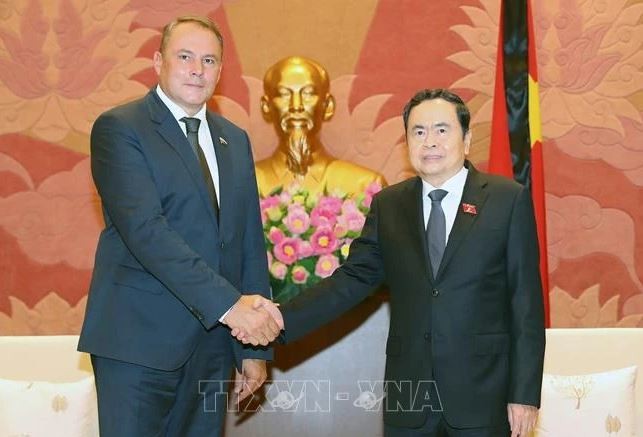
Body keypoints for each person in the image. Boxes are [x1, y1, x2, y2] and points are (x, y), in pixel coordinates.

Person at [248, 89, 546, 436]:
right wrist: (280, 319)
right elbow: (351, 281)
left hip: (483, 396)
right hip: (410, 401)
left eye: (441, 130)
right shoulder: (389, 206)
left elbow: (526, 305)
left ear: (466, 140)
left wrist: (524, 396)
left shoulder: (506, 200)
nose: (429, 141)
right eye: (418, 132)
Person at [78, 15, 283, 437]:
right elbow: (146, 233)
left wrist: (253, 348)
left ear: (220, 72)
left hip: (210, 347)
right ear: (158, 62)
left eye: (209, 60)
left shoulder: (234, 139)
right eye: (185, 56)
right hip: (136, 344)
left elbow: (246, 241)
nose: (197, 69)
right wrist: (234, 308)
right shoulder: (121, 128)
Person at [255, 56, 386, 196]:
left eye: (308, 93)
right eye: (283, 94)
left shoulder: (365, 186)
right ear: (266, 107)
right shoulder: (245, 185)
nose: (296, 106)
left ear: (328, 106)